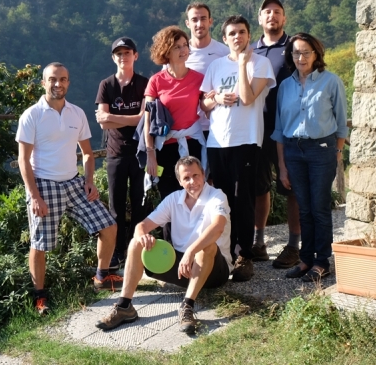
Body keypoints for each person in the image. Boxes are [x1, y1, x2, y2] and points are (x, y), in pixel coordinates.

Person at [17, 62, 121, 316]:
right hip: (44, 184)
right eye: (53, 79)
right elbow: (23, 160)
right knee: (40, 244)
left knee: (108, 226)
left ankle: (101, 277)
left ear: (68, 83)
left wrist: (89, 180)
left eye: (63, 79)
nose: (58, 84)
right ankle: (40, 297)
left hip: (74, 183)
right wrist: (34, 196)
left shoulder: (77, 113)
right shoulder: (32, 115)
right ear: (43, 83)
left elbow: (87, 153)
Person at [95, 156, 231, 335]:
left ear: (203, 174)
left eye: (196, 175)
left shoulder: (217, 196)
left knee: (207, 246)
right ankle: (124, 306)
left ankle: (187, 307)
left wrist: (191, 251)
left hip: (214, 271)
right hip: (183, 269)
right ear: (180, 181)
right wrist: (143, 237)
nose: (192, 182)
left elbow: (218, 227)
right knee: (136, 242)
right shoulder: (173, 199)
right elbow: (141, 226)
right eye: (186, 178)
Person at [200, 15, 275, 281]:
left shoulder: (261, 63)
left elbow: (247, 97)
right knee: (222, 199)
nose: (237, 37)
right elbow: (204, 105)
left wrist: (243, 64)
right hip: (218, 141)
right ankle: (225, 252)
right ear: (225, 38)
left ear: (248, 35)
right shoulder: (216, 66)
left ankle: (245, 255)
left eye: (242, 32)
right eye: (232, 33)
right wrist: (217, 98)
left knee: (243, 199)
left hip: (247, 139)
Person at [272, 34, 348, 283]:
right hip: (293, 151)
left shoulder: (331, 81)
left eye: (306, 52)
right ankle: (305, 260)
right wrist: (282, 166)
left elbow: (341, 124)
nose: (301, 57)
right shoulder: (285, 86)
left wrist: (337, 153)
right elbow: (279, 129)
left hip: (321, 150)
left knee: (320, 208)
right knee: (304, 209)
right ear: (290, 56)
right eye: (296, 52)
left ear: (316, 54)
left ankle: (322, 262)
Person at [252, 0, 302, 269]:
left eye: (277, 12)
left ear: (284, 18)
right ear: (260, 18)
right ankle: (259, 243)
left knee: (291, 186)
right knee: (259, 186)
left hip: (289, 127)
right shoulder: (250, 50)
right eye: (267, 12)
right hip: (257, 127)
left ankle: (294, 246)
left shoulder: (294, 47)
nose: (272, 15)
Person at [143, 26, 206, 243]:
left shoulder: (199, 78)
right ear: (166, 51)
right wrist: (150, 154)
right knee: (170, 200)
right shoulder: (156, 81)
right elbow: (148, 121)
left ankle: (195, 250)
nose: (183, 50)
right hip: (166, 148)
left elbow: (207, 106)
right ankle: (172, 254)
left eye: (185, 45)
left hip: (192, 146)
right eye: (177, 47)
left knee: (196, 197)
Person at [95, 37, 149, 270]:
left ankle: (137, 250)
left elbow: (144, 119)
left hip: (140, 152)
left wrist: (113, 117)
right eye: (119, 53)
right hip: (115, 154)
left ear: (135, 56)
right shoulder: (106, 85)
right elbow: (102, 123)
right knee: (115, 207)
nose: (123, 57)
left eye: (127, 53)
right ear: (113, 57)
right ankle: (117, 252)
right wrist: (131, 118)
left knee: (140, 204)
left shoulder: (145, 83)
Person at [183, 2, 229, 136]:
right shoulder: (178, 54)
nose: (199, 24)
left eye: (203, 19)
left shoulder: (224, 52)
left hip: (218, 126)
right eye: (194, 20)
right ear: (187, 23)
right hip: (187, 129)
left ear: (210, 21)